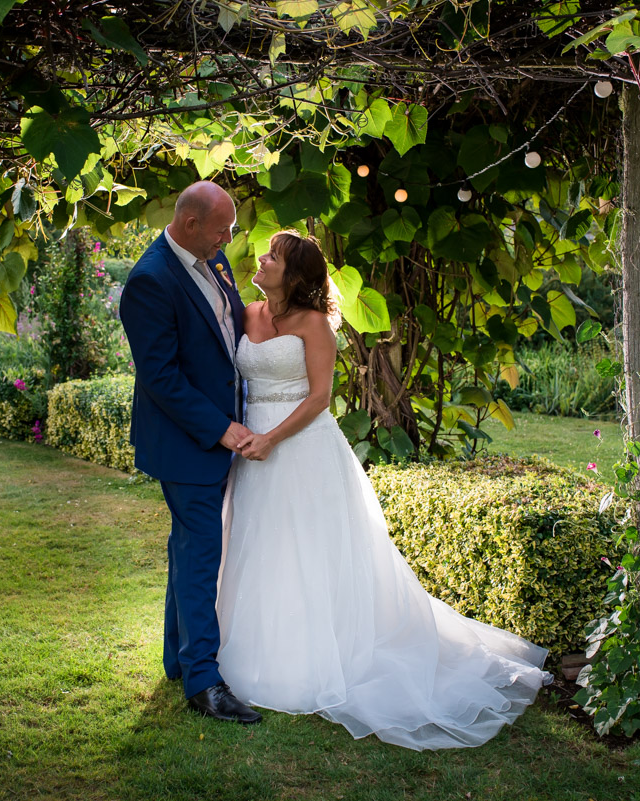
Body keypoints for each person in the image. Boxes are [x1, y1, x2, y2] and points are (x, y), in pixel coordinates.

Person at [216, 230, 551, 749]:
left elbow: (320, 398)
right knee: (258, 547)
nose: (260, 259)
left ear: (297, 275)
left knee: (308, 551)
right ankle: (249, 648)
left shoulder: (314, 325)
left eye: (273, 256)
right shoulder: (245, 313)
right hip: (249, 446)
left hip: (298, 447)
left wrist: (270, 440)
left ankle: (316, 656)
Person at [119, 181, 261, 724]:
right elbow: (160, 376)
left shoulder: (212, 256)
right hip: (188, 442)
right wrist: (221, 428)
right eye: (222, 229)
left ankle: (178, 661)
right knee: (202, 555)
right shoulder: (149, 281)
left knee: (189, 549)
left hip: (219, 431)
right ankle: (204, 681)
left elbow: (225, 331)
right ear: (190, 223)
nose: (229, 239)